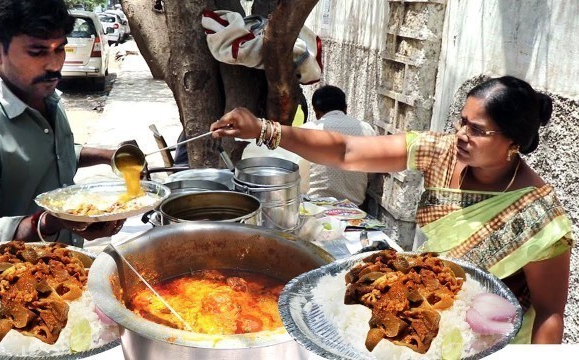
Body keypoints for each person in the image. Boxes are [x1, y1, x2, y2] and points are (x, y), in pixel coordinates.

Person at [211, 76, 573, 344]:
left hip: (489, 343)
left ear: (513, 143)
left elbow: (550, 313)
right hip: (429, 317)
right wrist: (265, 129)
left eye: (477, 130)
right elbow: (346, 152)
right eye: (462, 121)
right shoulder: (441, 152)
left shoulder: (538, 214)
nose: (461, 134)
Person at [0, 0, 124, 251]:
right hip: (19, 281)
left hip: (70, 263)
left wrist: (109, 155)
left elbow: (52, 153)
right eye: (37, 52)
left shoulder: (46, 97)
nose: (55, 65)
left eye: (60, 49)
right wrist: (50, 221)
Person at [301, 85, 376, 204]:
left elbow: (296, 174)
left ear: (316, 112)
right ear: (345, 108)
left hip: (315, 207)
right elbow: (371, 172)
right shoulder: (367, 130)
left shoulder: (305, 131)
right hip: (354, 209)